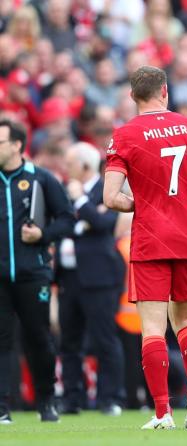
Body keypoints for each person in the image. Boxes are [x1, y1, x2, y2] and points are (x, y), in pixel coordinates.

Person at [103, 65, 187, 429]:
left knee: (153, 330)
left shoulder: (124, 135)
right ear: (165, 92)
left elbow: (110, 197)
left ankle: (162, 413)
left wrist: (141, 203)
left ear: (132, 96)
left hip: (150, 239)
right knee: (186, 319)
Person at [0, 118, 74, 423]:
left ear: (17, 145)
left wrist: (42, 235)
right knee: (1, 341)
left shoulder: (41, 179)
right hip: (0, 278)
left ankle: (47, 399)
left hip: (34, 274)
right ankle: (2, 406)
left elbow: (67, 219)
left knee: (39, 338)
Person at [57, 142, 126, 416]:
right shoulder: (65, 192)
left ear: (85, 166)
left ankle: (110, 398)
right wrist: (86, 217)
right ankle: (72, 399)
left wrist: (83, 203)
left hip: (99, 276)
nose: (67, 169)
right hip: (69, 275)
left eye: (71, 164)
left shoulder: (104, 190)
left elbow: (103, 224)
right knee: (69, 340)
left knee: (103, 338)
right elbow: (66, 225)